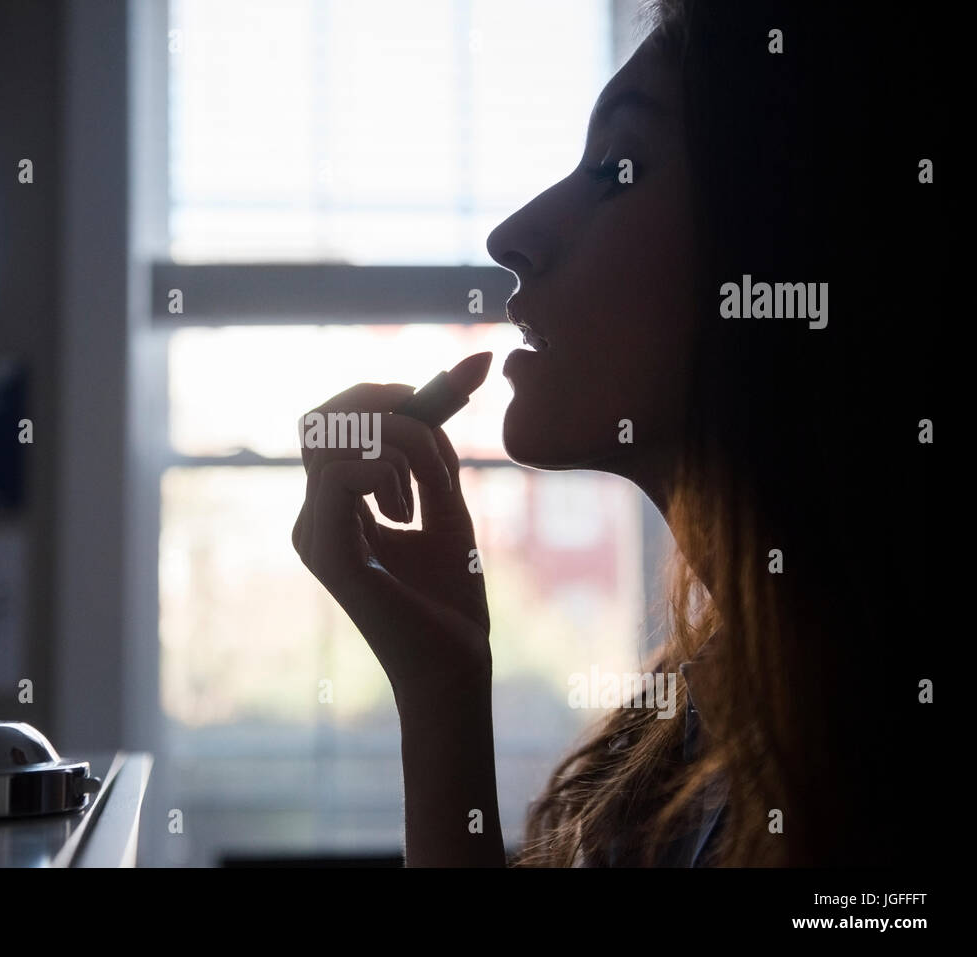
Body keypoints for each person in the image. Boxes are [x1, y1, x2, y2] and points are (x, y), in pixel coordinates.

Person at [292, 0, 945, 866]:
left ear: (783, 246)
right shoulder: (694, 721)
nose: (511, 236)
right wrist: (441, 690)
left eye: (617, 167)